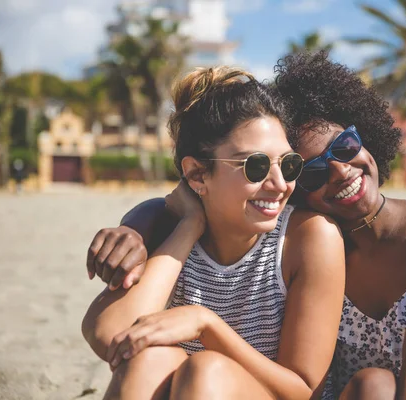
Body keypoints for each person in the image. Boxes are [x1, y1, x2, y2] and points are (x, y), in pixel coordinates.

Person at [87, 52, 406, 400]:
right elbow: (111, 335)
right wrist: (175, 223)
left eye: (345, 146)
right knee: (372, 385)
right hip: (370, 390)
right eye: (314, 170)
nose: (338, 172)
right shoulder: (173, 219)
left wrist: (205, 324)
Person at [81, 66, 345, 400]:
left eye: (288, 164)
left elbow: (305, 390)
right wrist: (190, 225)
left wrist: (207, 326)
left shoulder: (307, 237)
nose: (280, 184)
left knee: (207, 369)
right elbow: (111, 334)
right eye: (256, 166)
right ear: (197, 175)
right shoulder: (170, 226)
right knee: (147, 359)